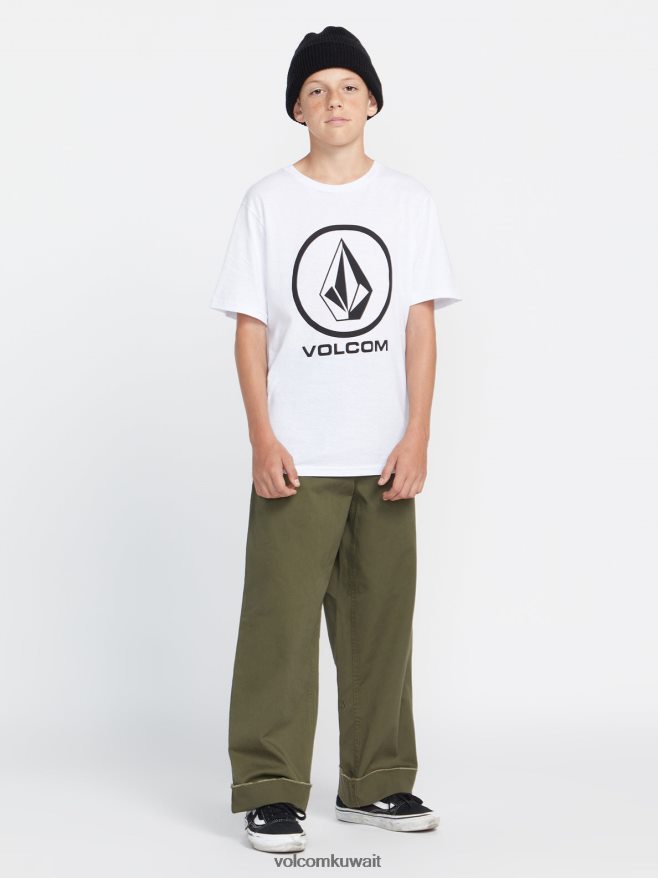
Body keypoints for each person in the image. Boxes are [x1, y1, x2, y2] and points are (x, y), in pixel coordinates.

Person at [209, 25, 462, 853]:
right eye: (315, 90)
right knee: (278, 628)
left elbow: (418, 325)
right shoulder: (268, 202)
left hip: (383, 455)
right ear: (297, 110)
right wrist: (261, 436)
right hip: (299, 454)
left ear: (373, 102)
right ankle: (271, 789)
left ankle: (377, 783)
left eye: (349, 86)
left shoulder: (408, 202)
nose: (333, 101)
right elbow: (251, 330)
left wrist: (418, 434)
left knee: (380, 626)